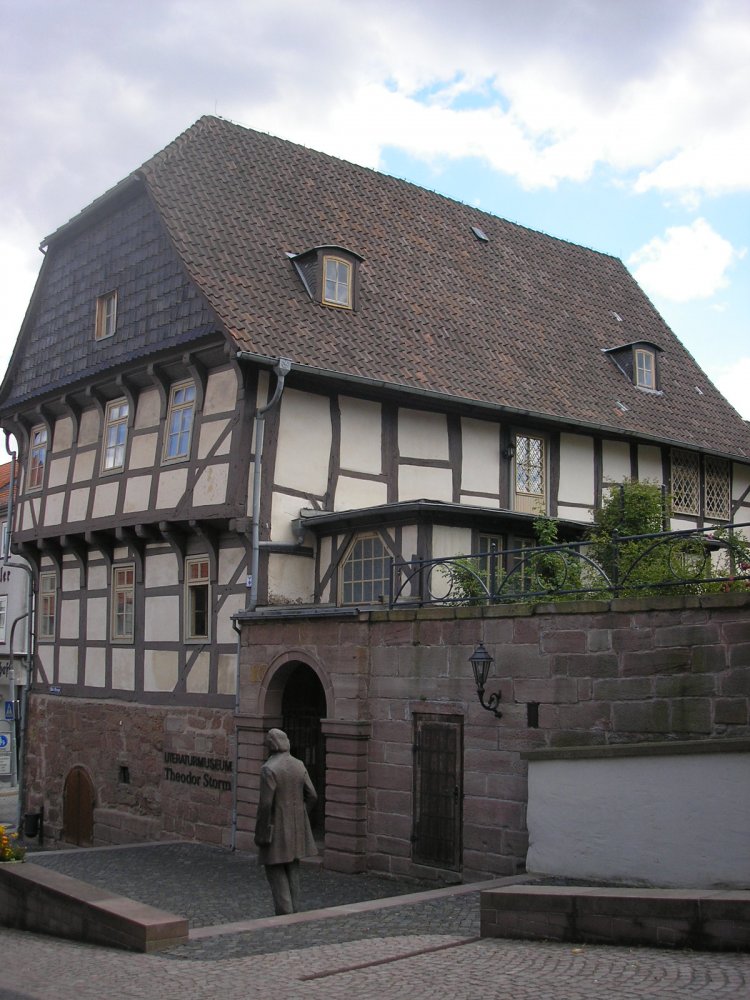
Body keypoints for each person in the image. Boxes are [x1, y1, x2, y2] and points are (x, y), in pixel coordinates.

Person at [254, 728, 318, 915]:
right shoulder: (298, 764)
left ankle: (285, 913)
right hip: (296, 826)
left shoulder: (269, 768)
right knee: (292, 867)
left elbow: (265, 805)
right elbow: (312, 795)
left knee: (275, 868)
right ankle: (295, 910)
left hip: (276, 827)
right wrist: (301, 813)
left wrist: (261, 831)